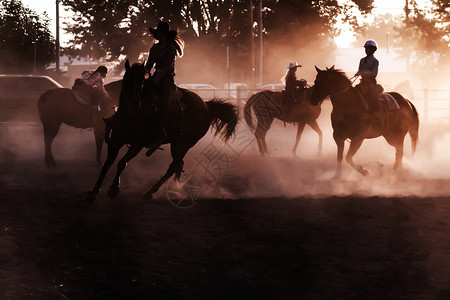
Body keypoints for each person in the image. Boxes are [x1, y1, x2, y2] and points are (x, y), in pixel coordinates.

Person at [144, 21, 185, 156]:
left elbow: (167, 67)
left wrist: (156, 79)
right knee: (142, 96)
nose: (159, 36)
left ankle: (162, 132)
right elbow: (149, 65)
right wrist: (143, 75)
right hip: (155, 77)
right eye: (158, 34)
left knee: (164, 101)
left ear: (165, 35)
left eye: (161, 34)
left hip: (166, 79)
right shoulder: (154, 49)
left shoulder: (171, 48)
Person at [354, 40, 381, 118]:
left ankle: (376, 113)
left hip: (371, 83)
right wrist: (357, 73)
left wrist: (363, 73)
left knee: (372, 96)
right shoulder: (362, 60)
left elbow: (374, 74)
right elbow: (360, 69)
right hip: (362, 82)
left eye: (369, 49)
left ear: (373, 50)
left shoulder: (375, 61)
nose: (367, 50)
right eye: (366, 49)